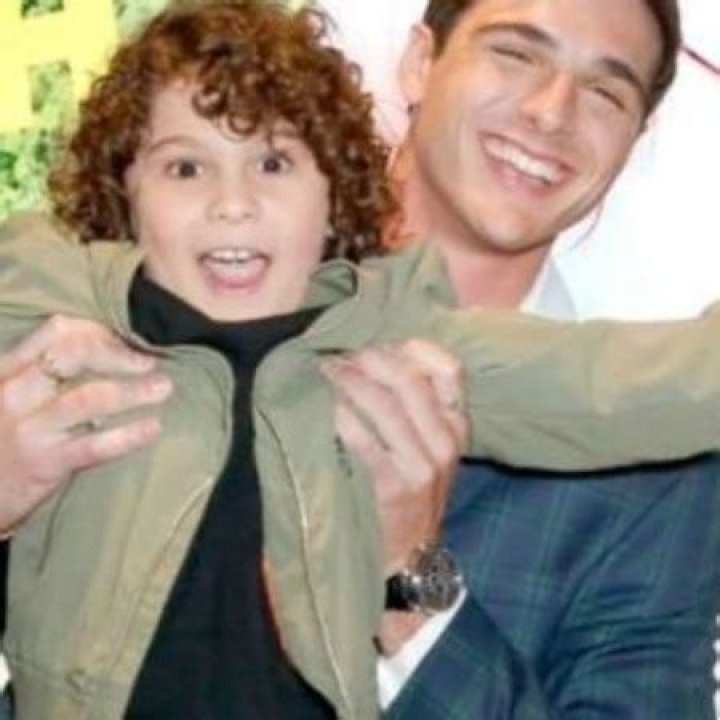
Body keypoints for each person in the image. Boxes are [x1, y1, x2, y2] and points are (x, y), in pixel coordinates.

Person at [3, 0, 720, 718]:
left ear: (636, 137)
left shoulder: (654, 479)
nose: (549, 111)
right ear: (419, 62)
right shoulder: (100, 309)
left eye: (604, 91)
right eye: (514, 53)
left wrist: (411, 591)